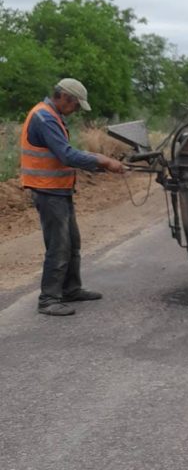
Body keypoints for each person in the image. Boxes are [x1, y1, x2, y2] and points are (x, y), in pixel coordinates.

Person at [20, 78, 127, 317]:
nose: (76, 110)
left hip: (59, 188)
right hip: (47, 190)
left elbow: (66, 154)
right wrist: (103, 160)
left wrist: (101, 163)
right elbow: (67, 155)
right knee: (58, 246)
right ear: (65, 97)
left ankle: (70, 289)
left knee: (72, 243)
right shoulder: (44, 118)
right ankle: (48, 299)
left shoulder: (53, 115)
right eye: (76, 105)